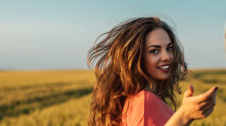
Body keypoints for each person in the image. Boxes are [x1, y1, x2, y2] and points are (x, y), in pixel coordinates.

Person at [87, 17, 218, 126]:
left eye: (169, 48)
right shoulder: (145, 101)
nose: (167, 56)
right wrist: (184, 116)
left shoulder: (140, 98)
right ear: (137, 57)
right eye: (155, 50)